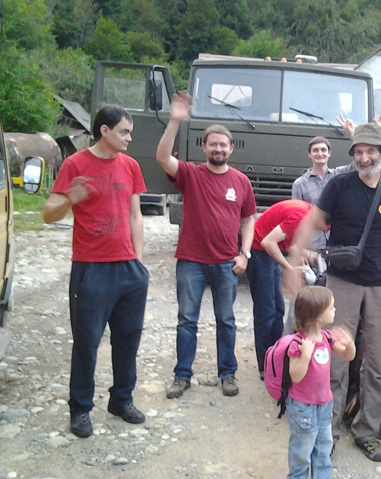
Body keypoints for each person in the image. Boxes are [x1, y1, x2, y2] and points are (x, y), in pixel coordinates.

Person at [287, 122, 381, 462]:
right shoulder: (339, 186)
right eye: (358, 151)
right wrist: (293, 264)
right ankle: (327, 432)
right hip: (342, 283)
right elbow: (310, 222)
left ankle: (366, 432)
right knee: (334, 359)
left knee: (377, 363)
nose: (364, 157)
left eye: (370, 151)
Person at [43, 105, 149, 438]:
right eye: (124, 132)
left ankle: (121, 400)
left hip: (128, 269)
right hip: (90, 267)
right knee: (87, 343)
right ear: (104, 131)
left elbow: (135, 216)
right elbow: (48, 214)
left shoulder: (131, 166)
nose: (129, 138)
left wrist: (139, 262)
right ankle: (80, 409)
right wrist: (69, 200)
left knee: (128, 340)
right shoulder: (75, 164)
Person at [156, 92, 256, 399]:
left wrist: (245, 254)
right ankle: (182, 376)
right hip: (191, 261)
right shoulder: (190, 174)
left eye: (223, 144)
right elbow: (162, 158)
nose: (218, 148)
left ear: (231, 148)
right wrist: (174, 121)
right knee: (187, 320)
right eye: (213, 144)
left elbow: (248, 219)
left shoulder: (241, 181)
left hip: (226, 262)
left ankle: (228, 374)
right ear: (204, 147)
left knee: (226, 321)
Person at [248, 199, 327, 378]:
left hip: (267, 251)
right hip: (259, 250)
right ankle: (265, 365)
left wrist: (302, 255)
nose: (324, 231)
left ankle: (276, 357)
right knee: (266, 312)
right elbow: (268, 242)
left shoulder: (307, 214)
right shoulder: (300, 217)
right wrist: (289, 268)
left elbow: (290, 241)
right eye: (325, 227)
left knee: (278, 310)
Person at [286, 286, 356, 479]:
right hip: (303, 407)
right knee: (301, 452)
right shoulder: (298, 343)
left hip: (324, 404)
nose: (335, 310)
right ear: (317, 314)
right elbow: (295, 376)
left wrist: (349, 344)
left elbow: (348, 356)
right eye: (331, 307)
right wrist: (305, 356)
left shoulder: (326, 337)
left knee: (324, 448)